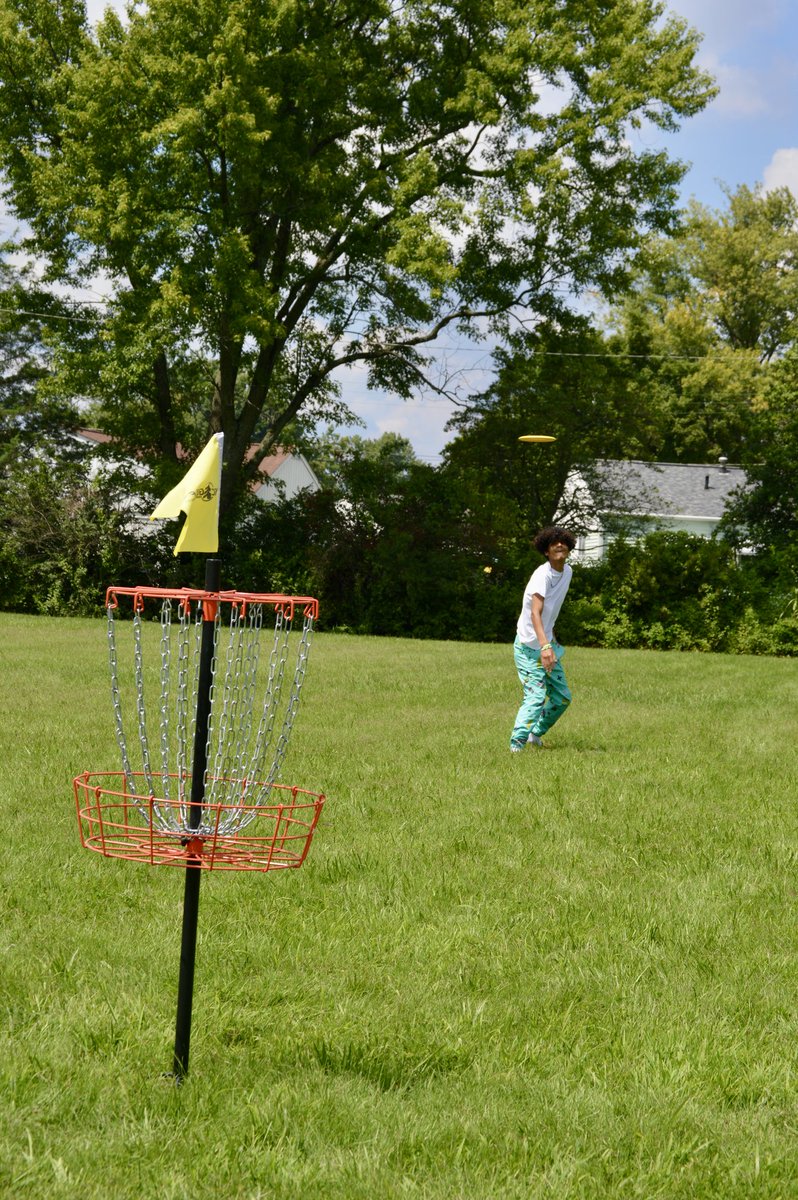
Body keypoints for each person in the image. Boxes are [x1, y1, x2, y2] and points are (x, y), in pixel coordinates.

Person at [510, 526, 577, 752]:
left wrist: (551, 641)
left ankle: (535, 734)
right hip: (530, 647)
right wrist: (544, 645)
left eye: (563, 542)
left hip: (547, 643)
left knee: (562, 698)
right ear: (546, 551)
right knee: (536, 697)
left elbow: (552, 611)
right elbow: (535, 612)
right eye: (553, 543)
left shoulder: (567, 572)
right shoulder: (542, 575)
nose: (559, 545)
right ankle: (516, 745)